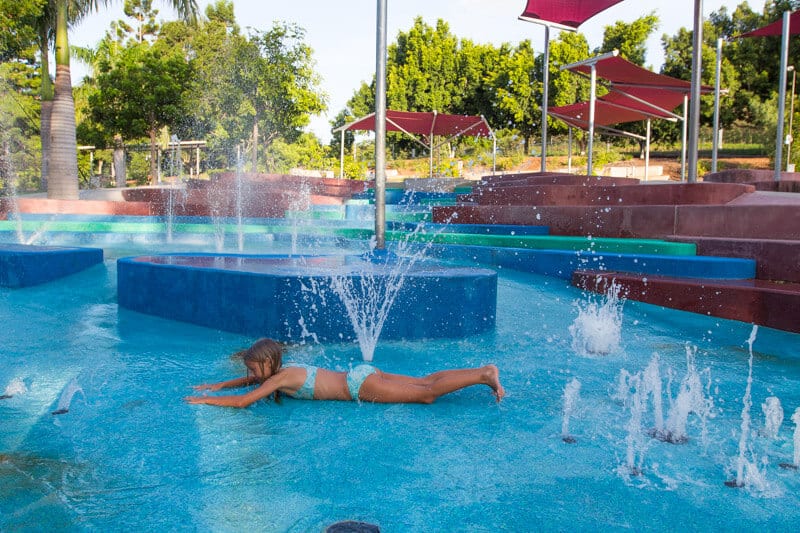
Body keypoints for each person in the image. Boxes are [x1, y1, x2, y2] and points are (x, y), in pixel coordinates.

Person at [185, 338, 505, 408]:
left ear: (268, 364)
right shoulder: (283, 370)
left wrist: (204, 401)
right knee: (424, 380)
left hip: (358, 386)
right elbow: (252, 382)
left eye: (253, 367)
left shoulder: (279, 379)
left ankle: (482, 377)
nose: (249, 373)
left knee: (426, 394)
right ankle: (482, 370)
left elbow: (244, 401)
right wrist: (221, 383)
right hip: (360, 373)